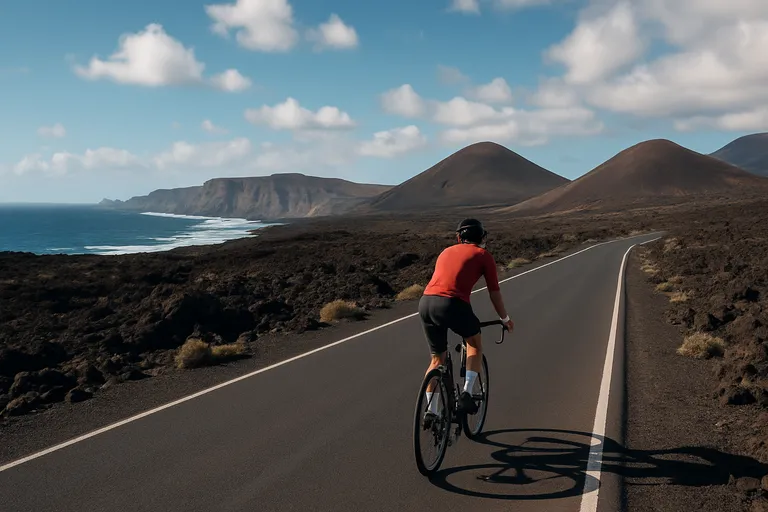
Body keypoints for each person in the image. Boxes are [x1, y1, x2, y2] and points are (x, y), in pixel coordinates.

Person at [418, 218, 514, 421]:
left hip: (426, 303)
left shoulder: (445, 252)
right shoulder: (483, 255)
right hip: (453, 304)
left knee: (437, 359)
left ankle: (431, 411)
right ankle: (467, 394)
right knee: (475, 344)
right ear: (481, 237)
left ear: (459, 237)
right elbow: (494, 292)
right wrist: (504, 318)